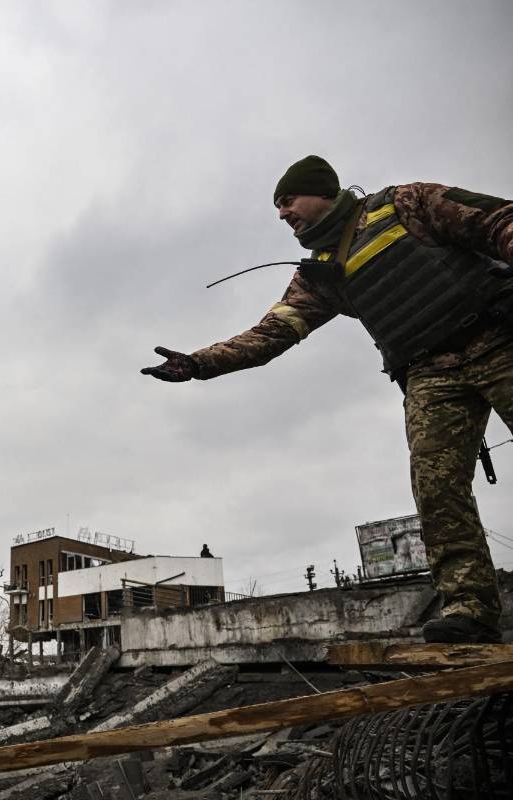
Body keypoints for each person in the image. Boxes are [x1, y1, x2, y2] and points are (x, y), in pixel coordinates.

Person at [142, 155, 513, 645]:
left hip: (498, 338)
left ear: (322, 192)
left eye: (288, 201)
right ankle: (470, 607)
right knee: (437, 489)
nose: (282, 214)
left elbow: (497, 222)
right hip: (429, 375)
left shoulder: (405, 203)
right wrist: (199, 363)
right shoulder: (321, 273)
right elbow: (271, 333)